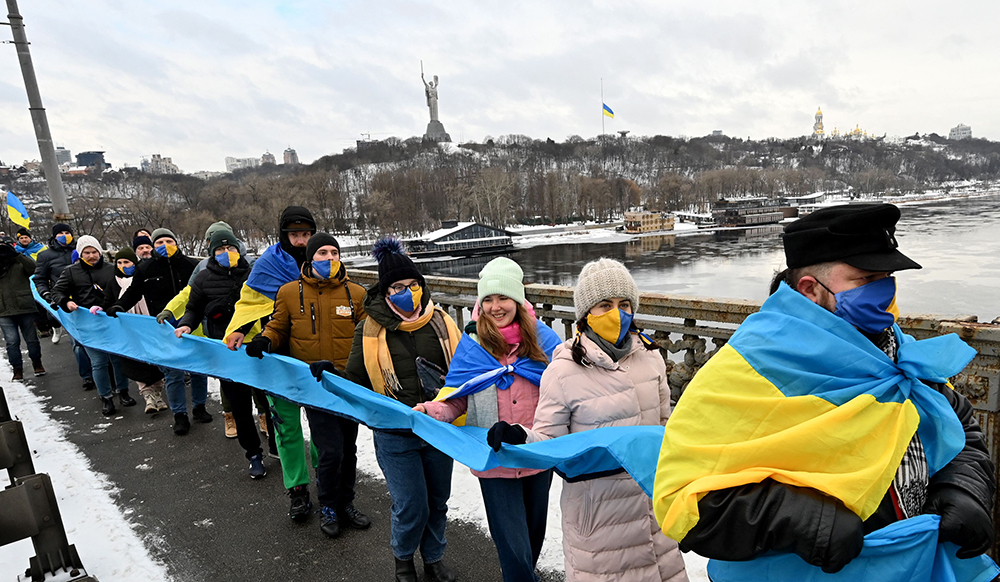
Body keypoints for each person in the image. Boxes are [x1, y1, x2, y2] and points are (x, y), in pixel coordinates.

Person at [653, 204, 996, 580]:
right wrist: (800, 518)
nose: (886, 290)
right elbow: (683, 501)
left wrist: (963, 489)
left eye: (888, 275)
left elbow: (962, 429)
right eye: (867, 279)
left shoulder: (898, 353)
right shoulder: (748, 369)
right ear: (810, 289)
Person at [490, 258, 689, 582]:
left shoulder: (651, 358)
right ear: (585, 314)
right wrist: (520, 437)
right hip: (600, 523)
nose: (618, 313)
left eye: (625, 304)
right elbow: (551, 444)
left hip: (654, 517)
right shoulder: (563, 370)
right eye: (605, 304)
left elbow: (666, 433)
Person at [416, 257, 561, 582]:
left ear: (519, 302)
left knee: (532, 538)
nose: (496, 307)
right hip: (494, 461)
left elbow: (568, 393)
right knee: (511, 546)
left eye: (503, 298)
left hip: (537, 456)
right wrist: (431, 411)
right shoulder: (472, 348)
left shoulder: (545, 342)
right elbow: (455, 401)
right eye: (489, 299)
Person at [342, 237, 462, 582]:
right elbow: (355, 378)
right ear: (386, 290)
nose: (407, 292)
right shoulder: (369, 328)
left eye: (413, 285)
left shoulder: (441, 322)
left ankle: (434, 558)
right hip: (395, 432)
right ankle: (404, 559)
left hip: (438, 429)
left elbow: (463, 371)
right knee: (412, 504)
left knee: (438, 500)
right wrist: (329, 374)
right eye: (397, 287)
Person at [247, 232, 370, 535]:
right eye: (322, 254)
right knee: (330, 450)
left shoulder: (356, 293)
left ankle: (346, 502)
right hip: (313, 384)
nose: (330, 259)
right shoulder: (289, 292)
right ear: (310, 258)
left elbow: (369, 333)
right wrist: (265, 339)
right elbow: (278, 325)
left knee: (349, 449)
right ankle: (327, 505)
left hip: (347, 383)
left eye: (334, 253)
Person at [224, 206, 316, 490]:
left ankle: (327, 483)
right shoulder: (268, 264)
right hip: (279, 352)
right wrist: (238, 328)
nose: (301, 241)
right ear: (283, 235)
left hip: (315, 356)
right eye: (295, 235)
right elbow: (249, 301)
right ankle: (297, 488)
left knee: (322, 429)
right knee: (287, 428)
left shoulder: (323, 261)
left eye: (306, 235)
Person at [175, 228, 266, 478]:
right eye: (220, 249)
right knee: (239, 406)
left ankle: (277, 445)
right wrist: (186, 323)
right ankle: (253, 454)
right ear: (212, 253)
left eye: (231, 248)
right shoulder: (203, 278)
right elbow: (193, 308)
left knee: (267, 401)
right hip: (224, 349)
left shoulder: (253, 274)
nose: (227, 253)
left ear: (239, 250)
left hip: (255, 347)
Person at [108, 228, 208, 434]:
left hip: (192, 323)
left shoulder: (191, 265)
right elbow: (133, 293)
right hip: (163, 327)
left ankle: (199, 407)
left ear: (176, 242)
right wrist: (119, 306)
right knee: (173, 373)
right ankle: (180, 415)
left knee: (199, 370)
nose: (165, 246)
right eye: (159, 242)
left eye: (169, 241)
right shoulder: (146, 268)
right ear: (153, 246)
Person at [50, 236, 136, 415]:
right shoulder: (71, 272)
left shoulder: (111, 269)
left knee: (117, 359)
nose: (91, 256)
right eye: (87, 253)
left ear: (100, 252)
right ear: (80, 254)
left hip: (111, 320)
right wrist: (66, 302)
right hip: (86, 322)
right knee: (98, 362)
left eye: (94, 252)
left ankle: (123, 392)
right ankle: (105, 397)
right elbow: (56, 291)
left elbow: (127, 287)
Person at [103, 246, 168, 414]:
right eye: (120, 262)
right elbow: (108, 302)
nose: (123, 265)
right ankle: (147, 396)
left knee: (155, 359)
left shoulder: (145, 277)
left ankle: (158, 394)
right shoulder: (113, 282)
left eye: (127, 262)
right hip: (128, 329)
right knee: (137, 361)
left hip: (150, 324)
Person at [33, 223, 93, 386]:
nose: (65, 235)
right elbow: (40, 278)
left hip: (88, 299)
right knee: (77, 340)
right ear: (54, 236)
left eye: (67, 232)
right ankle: (87, 375)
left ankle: (103, 371)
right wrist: (46, 294)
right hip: (65, 301)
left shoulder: (82, 250)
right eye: (61, 233)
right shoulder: (45, 256)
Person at [0, 237, 44, 379]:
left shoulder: (19, 262)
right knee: (12, 342)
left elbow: (33, 268)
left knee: (31, 339)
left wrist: (16, 254)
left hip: (24, 307)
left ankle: (37, 363)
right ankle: (17, 369)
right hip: (3, 310)